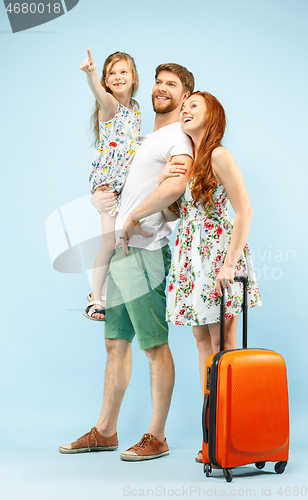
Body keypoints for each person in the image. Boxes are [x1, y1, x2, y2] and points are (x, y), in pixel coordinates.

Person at [59, 63, 195, 461]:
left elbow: (177, 191)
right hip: (121, 251)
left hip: (145, 253)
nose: (161, 88)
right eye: (158, 81)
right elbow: (120, 179)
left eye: (172, 84)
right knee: (115, 344)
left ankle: (157, 436)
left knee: (154, 346)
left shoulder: (179, 139)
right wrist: (100, 199)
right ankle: (105, 430)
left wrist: (136, 219)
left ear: (186, 96)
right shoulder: (144, 135)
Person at [119, 91, 262, 464]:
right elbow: (172, 216)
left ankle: (230, 433)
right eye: (184, 107)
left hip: (217, 254)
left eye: (193, 105)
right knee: (202, 341)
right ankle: (212, 434)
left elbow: (244, 210)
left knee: (224, 340)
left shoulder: (218, 154)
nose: (185, 110)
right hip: (191, 256)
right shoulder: (191, 160)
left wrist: (230, 263)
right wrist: (165, 183)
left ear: (212, 114)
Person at [80, 49, 141, 321]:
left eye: (123, 72)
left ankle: (108, 292)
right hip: (108, 185)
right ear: (106, 81)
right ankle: (95, 297)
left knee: (120, 241)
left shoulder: (135, 109)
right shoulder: (110, 106)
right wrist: (92, 74)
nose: (117, 77)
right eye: (111, 74)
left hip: (126, 185)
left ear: (134, 77)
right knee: (108, 242)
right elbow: (99, 94)